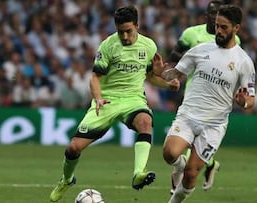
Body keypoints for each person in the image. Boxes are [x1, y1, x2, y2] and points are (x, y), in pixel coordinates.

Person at [49, 5, 180, 202]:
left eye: (129, 31)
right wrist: (98, 98)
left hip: (133, 99)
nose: (125, 36)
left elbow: (150, 77)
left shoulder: (149, 46)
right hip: (107, 100)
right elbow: (95, 78)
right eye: (121, 32)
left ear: (137, 25)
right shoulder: (108, 46)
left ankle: (138, 174)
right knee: (74, 148)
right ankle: (67, 179)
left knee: (145, 122)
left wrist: (167, 84)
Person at [154, 5, 256, 203]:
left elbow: (251, 99)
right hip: (188, 115)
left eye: (224, 27)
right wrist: (160, 72)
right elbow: (173, 74)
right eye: (217, 26)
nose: (218, 31)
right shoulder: (200, 50)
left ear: (236, 28)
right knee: (169, 153)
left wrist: (244, 103)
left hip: (214, 125)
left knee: (192, 174)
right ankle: (181, 165)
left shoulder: (244, 61)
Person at [167, 0, 241, 194]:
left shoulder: (234, 41)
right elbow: (175, 55)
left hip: (214, 101)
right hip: (192, 93)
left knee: (192, 145)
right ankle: (205, 166)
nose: (214, 18)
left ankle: (188, 170)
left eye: (218, 15)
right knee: (182, 141)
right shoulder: (192, 34)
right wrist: (171, 74)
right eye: (212, 14)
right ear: (207, 15)